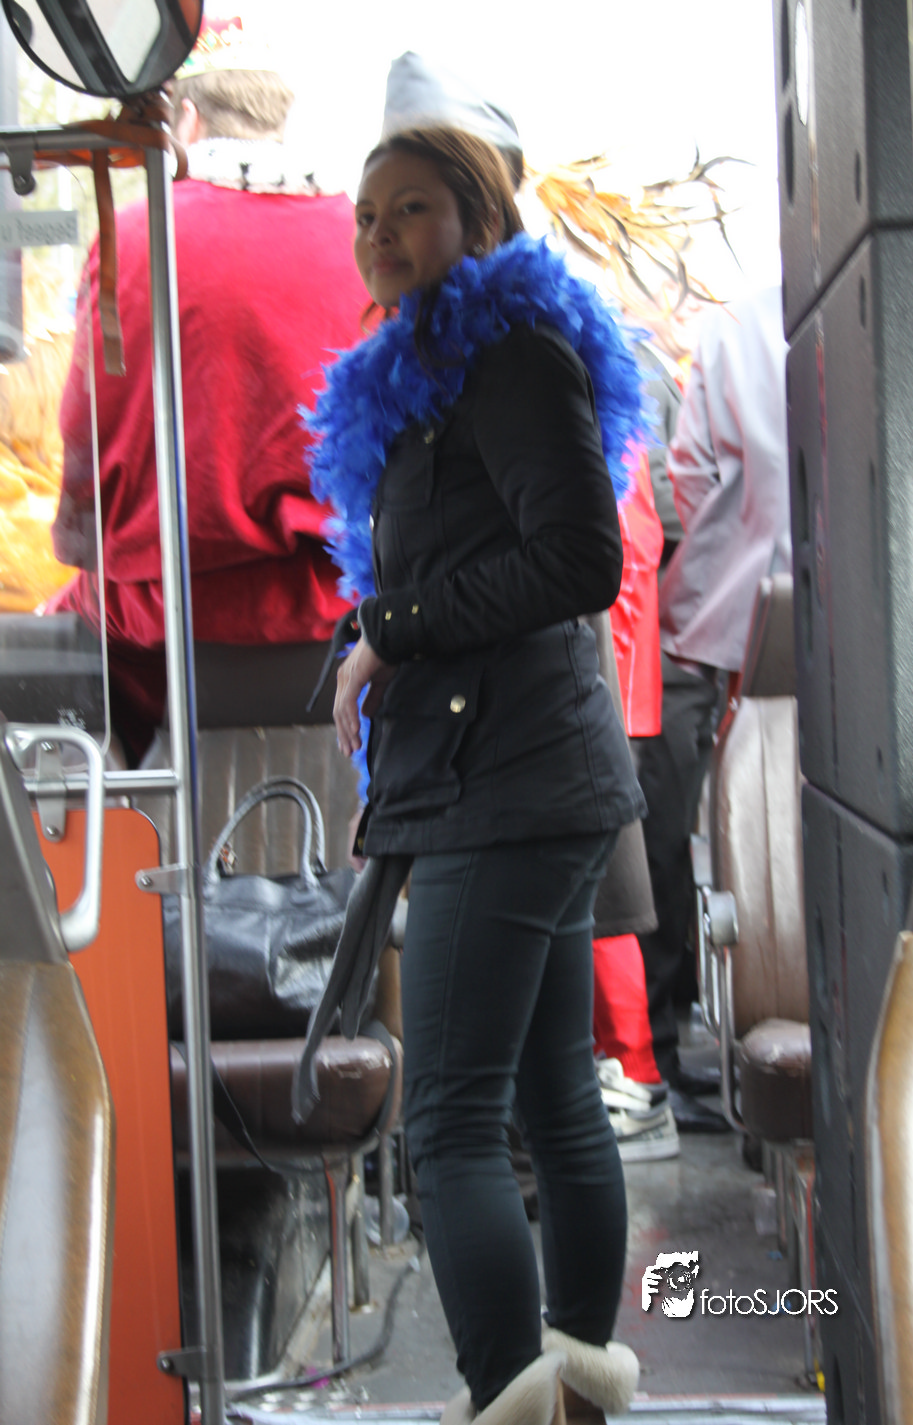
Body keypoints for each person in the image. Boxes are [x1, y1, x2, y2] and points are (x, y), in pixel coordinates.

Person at [309, 126, 644, 1425]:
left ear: (481, 221)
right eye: (366, 215)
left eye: (411, 208)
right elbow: (476, 562)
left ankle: (509, 1398)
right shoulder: (442, 364)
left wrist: (390, 630)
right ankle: (570, 1393)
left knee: (448, 1121)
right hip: (525, 772)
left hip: (498, 788)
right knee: (555, 1096)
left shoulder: (503, 352)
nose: (380, 234)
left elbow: (578, 561)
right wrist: (381, 631)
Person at [47, 21, 369, 761]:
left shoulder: (135, 235)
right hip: (345, 610)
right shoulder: (365, 237)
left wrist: (83, 539)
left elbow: (88, 435)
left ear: (186, 120)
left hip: (168, 618)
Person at [635, 285, 791, 1100]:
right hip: (833, 619)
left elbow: (688, 475)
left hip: (715, 613)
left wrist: (725, 545)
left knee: (666, 829)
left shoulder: (730, 334)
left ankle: (662, 1040)